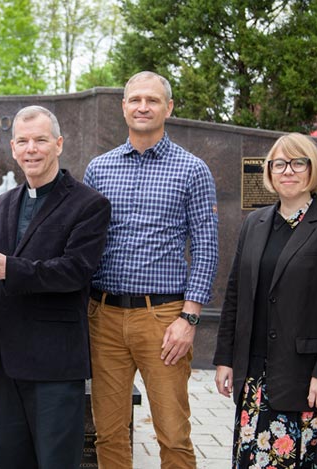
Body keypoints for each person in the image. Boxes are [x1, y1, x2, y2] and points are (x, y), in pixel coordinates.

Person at [0, 105, 111, 469]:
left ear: (58, 144)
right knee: (12, 461)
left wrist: (11, 268)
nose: (31, 149)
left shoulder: (89, 204)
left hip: (54, 362)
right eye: (22, 141)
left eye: (40, 140)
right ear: (12, 148)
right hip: (6, 358)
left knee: (56, 462)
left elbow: (75, 271)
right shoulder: (6, 201)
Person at [83, 71, 219, 468]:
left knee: (173, 434)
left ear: (169, 108)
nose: (143, 106)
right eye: (136, 99)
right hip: (103, 316)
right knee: (108, 433)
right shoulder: (99, 169)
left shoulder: (192, 170)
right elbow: (88, 243)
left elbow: (207, 248)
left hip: (163, 320)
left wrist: (189, 318)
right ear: (123, 107)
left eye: (153, 100)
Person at [213, 133, 317, 468]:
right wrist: (226, 359)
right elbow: (235, 293)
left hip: (307, 379)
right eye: (279, 163)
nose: (288, 171)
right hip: (255, 378)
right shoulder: (255, 223)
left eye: (299, 162)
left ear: (313, 170)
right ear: (268, 171)